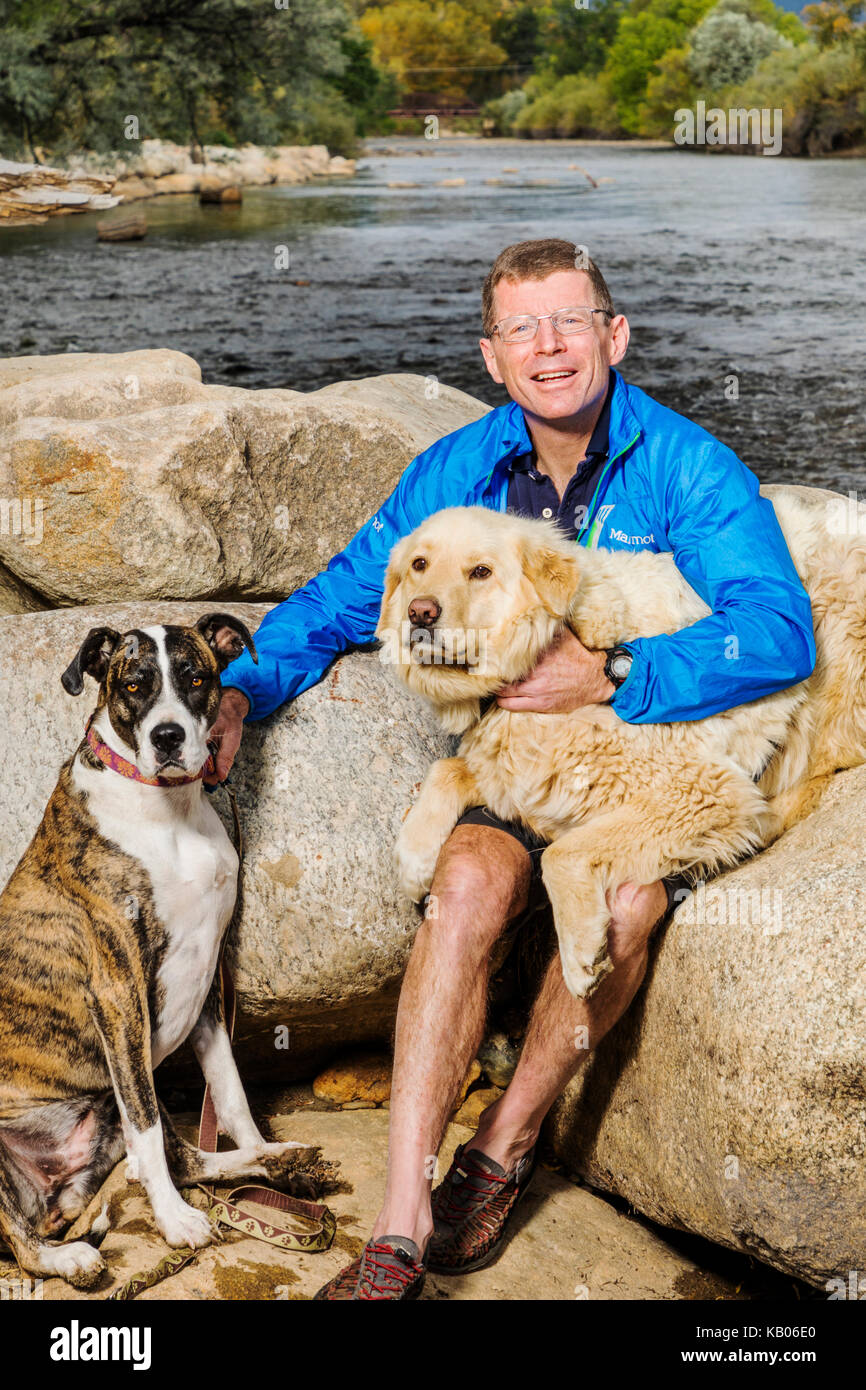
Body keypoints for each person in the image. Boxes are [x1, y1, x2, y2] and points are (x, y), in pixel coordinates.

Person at [207, 239, 815, 1300]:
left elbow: (774, 633)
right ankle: (399, 1214)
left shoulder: (686, 465)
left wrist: (618, 669)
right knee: (465, 885)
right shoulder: (454, 471)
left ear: (611, 336)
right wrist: (238, 690)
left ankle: (500, 1144)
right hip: (510, 773)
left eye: (569, 321)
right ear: (492, 357)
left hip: (639, 771)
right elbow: (350, 597)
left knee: (627, 906)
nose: (548, 347)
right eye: (523, 329)